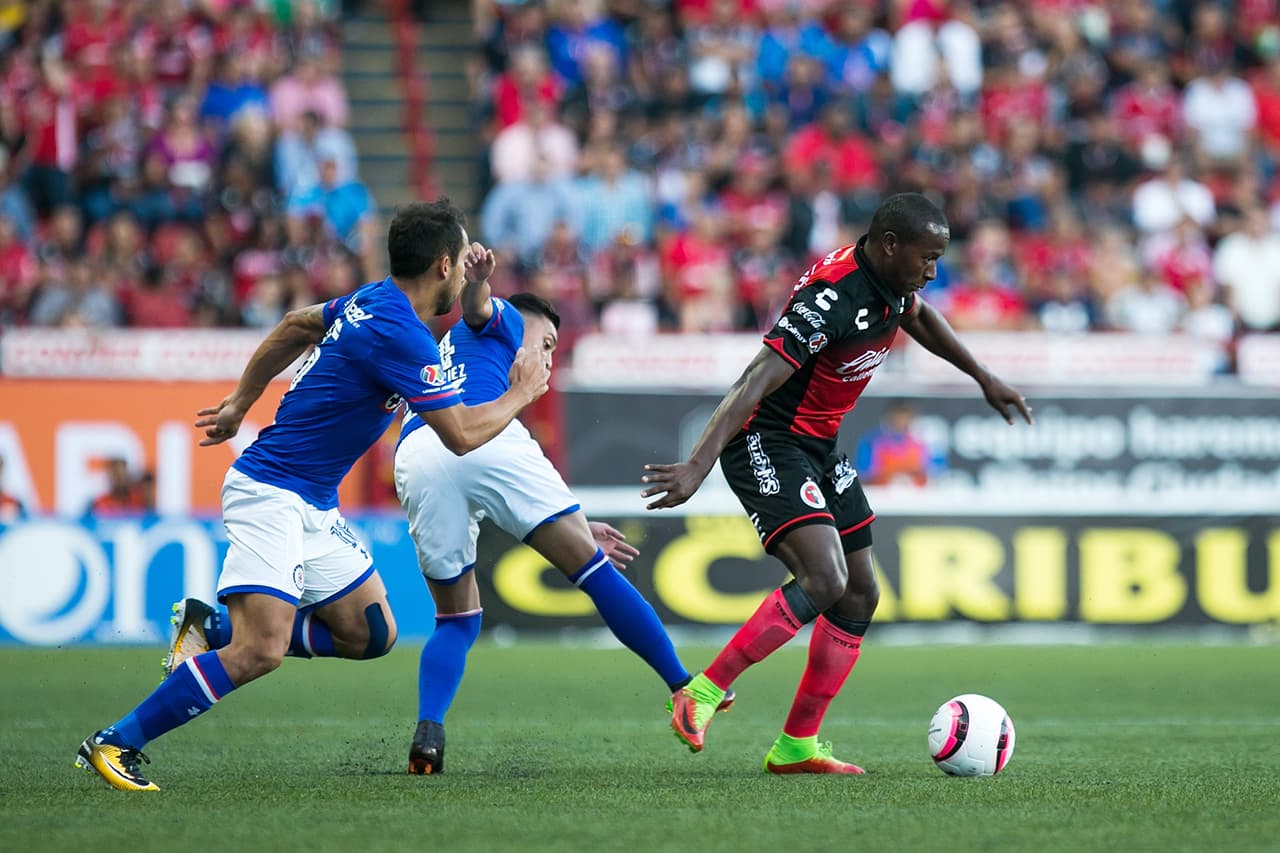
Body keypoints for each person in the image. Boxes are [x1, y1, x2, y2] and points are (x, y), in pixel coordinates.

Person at [75, 199, 550, 792]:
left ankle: (212, 630)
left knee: (371, 632)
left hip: (314, 502)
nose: (464, 275)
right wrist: (521, 392)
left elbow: (299, 323)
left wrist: (240, 402)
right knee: (262, 651)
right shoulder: (402, 334)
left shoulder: (373, 300)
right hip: (270, 491)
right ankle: (117, 741)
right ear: (444, 265)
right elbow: (460, 436)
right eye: (461, 264)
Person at [641, 193, 1033, 775]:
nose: (932, 271)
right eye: (928, 258)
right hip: (766, 442)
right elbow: (756, 377)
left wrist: (983, 376)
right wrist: (698, 464)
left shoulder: (892, 283)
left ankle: (797, 745)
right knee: (825, 577)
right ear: (891, 244)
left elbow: (918, 314)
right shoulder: (830, 298)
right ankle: (701, 692)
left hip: (818, 447)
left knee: (859, 593)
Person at [392, 271, 731, 775]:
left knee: (457, 619)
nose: (548, 358)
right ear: (522, 328)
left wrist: (573, 523)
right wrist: (481, 282)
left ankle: (428, 734)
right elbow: (480, 305)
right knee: (595, 573)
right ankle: (681, 685)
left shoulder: (453, 352)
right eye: (547, 343)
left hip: (417, 452)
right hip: (486, 435)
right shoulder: (504, 321)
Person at [854, 401, 938, 487]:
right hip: (880, 495)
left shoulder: (920, 445)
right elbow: (865, 476)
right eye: (898, 418)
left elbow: (930, 475)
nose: (901, 422)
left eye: (905, 418)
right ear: (889, 418)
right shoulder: (872, 443)